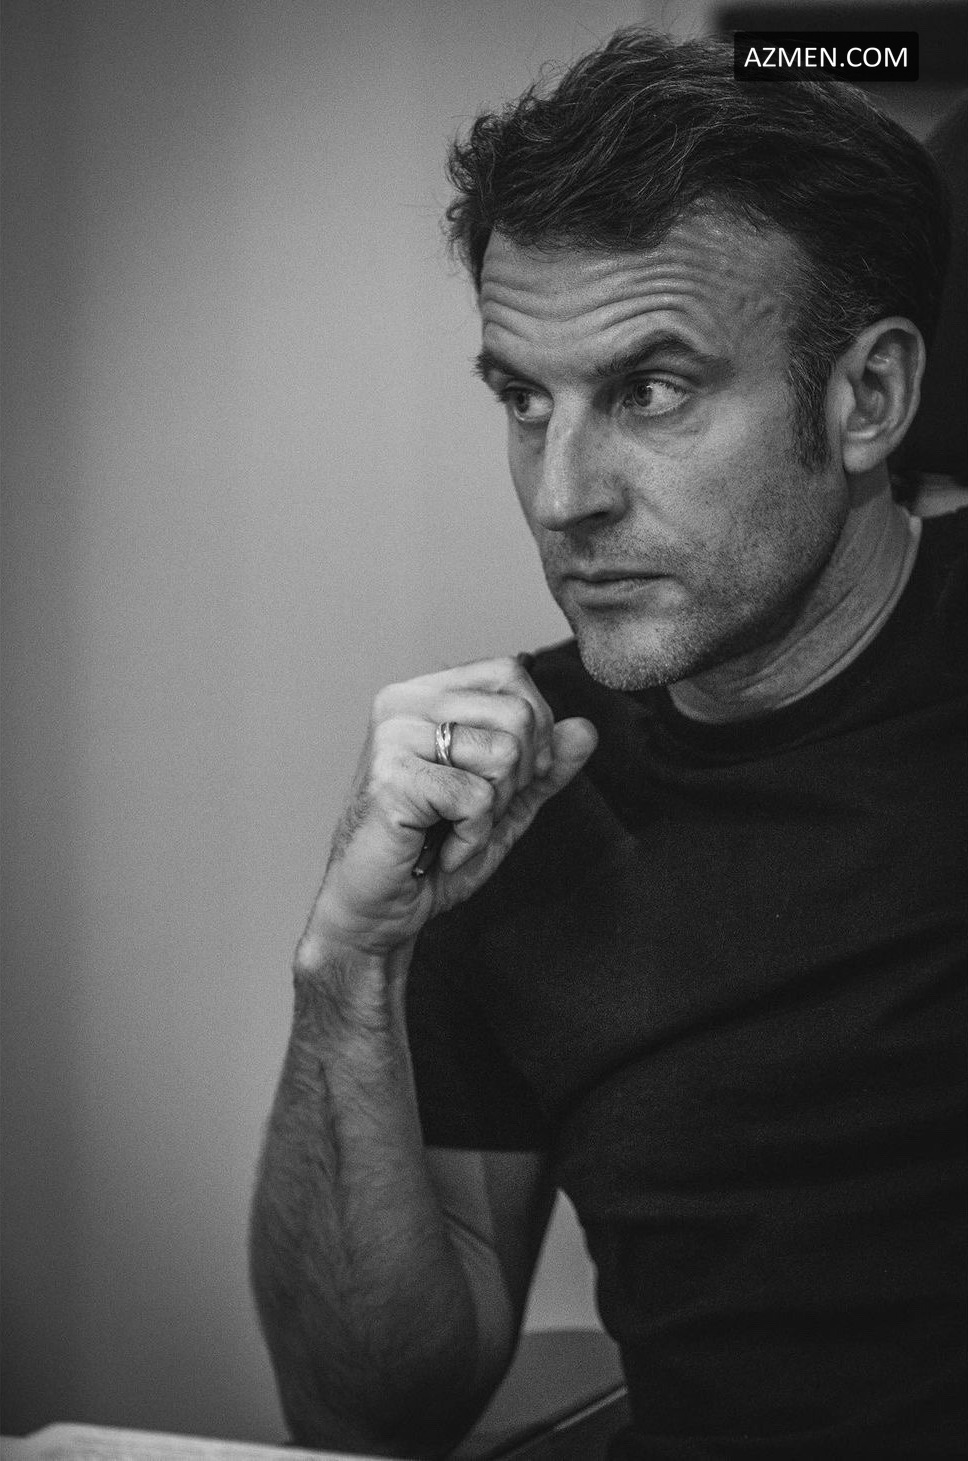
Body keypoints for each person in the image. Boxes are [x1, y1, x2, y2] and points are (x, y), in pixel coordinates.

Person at [249, 30, 966, 1460]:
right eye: (524, 399)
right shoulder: (513, 787)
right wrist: (347, 970)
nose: (561, 496)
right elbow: (365, 1410)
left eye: (650, 389)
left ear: (868, 398)